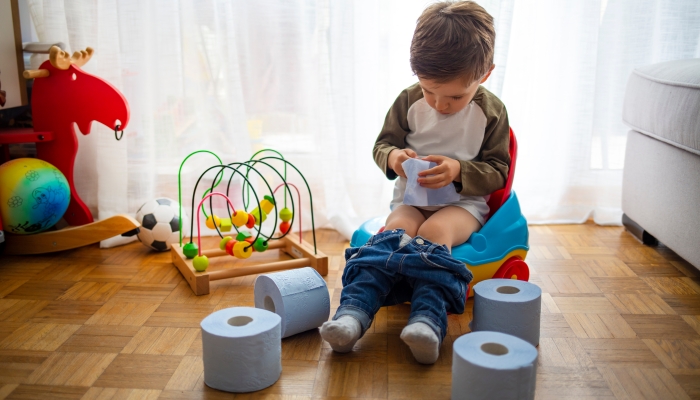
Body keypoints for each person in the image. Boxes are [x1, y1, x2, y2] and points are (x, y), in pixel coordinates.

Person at [320, 0, 511, 364]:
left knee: (434, 234)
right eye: (429, 91)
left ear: (484, 74)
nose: (440, 104)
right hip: (411, 199)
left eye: (456, 96)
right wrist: (394, 158)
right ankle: (352, 314)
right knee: (393, 235)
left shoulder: (491, 112)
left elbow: (498, 170)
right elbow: (382, 146)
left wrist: (459, 171)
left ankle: (427, 321)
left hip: (462, 205)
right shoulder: (407, 101)